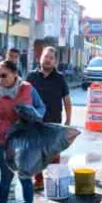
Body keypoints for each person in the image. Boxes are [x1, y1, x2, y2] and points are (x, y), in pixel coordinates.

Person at [0, 60, 46, 203]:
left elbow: (41, 107)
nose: (0, 79)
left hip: (24, 140)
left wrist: (33, 115)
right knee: (5, 177)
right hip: (4, 140)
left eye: (4, 75)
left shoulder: (27, 89)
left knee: (25, 176)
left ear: (15, 74)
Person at [25, 47, 73, 191]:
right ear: (40, 58)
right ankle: (38, 181)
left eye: (51, 58)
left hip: (54, 122)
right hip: (35, 122)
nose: (48, 60)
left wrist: (68, 120)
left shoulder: (60, 78)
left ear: (55, 62)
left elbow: (67, 100)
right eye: (46, 56)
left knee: (53, 153)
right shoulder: (31, 77)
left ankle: (54, 180)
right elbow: (24, 98)